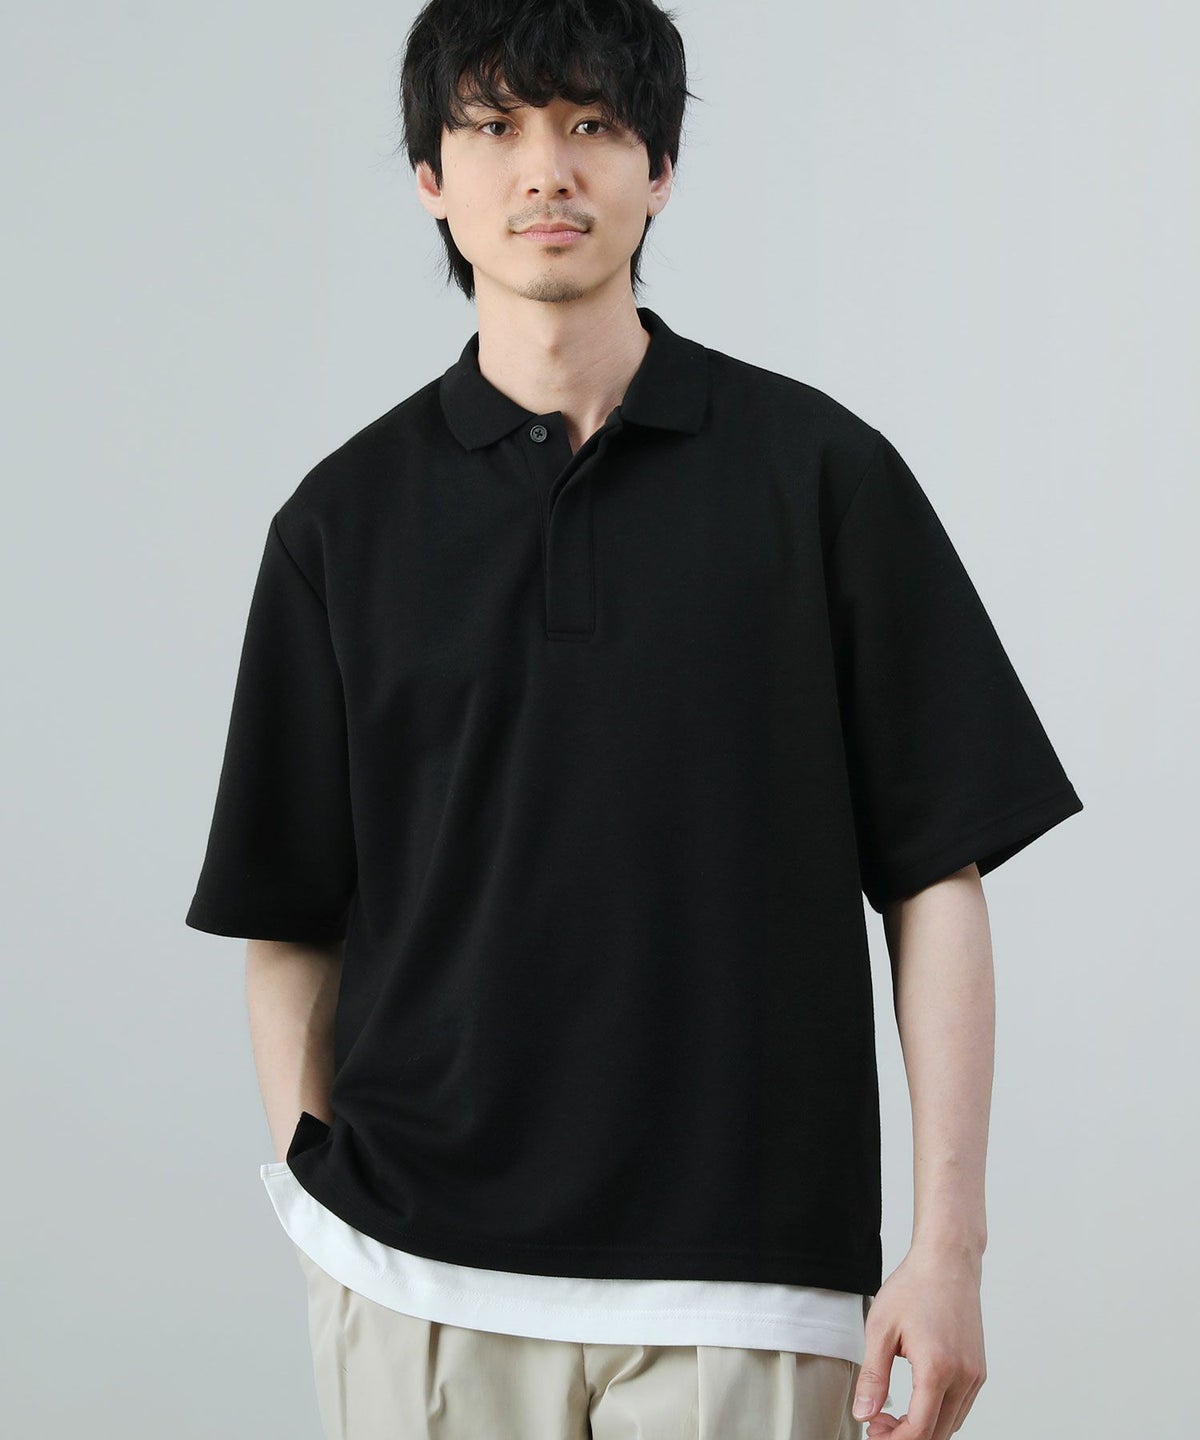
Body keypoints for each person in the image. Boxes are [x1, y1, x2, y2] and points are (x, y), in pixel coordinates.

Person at [184, 1, 1084, 1436]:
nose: (547, 168)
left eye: (592, 124)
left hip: (748, 1280)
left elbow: (937, 874)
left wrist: (949, 1249)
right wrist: (320, 1195)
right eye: (496, 127)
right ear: (431, 177)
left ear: (658, 169)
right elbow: (286, 910)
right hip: (418, 1278)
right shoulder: (340, 525)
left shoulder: (822, 478)